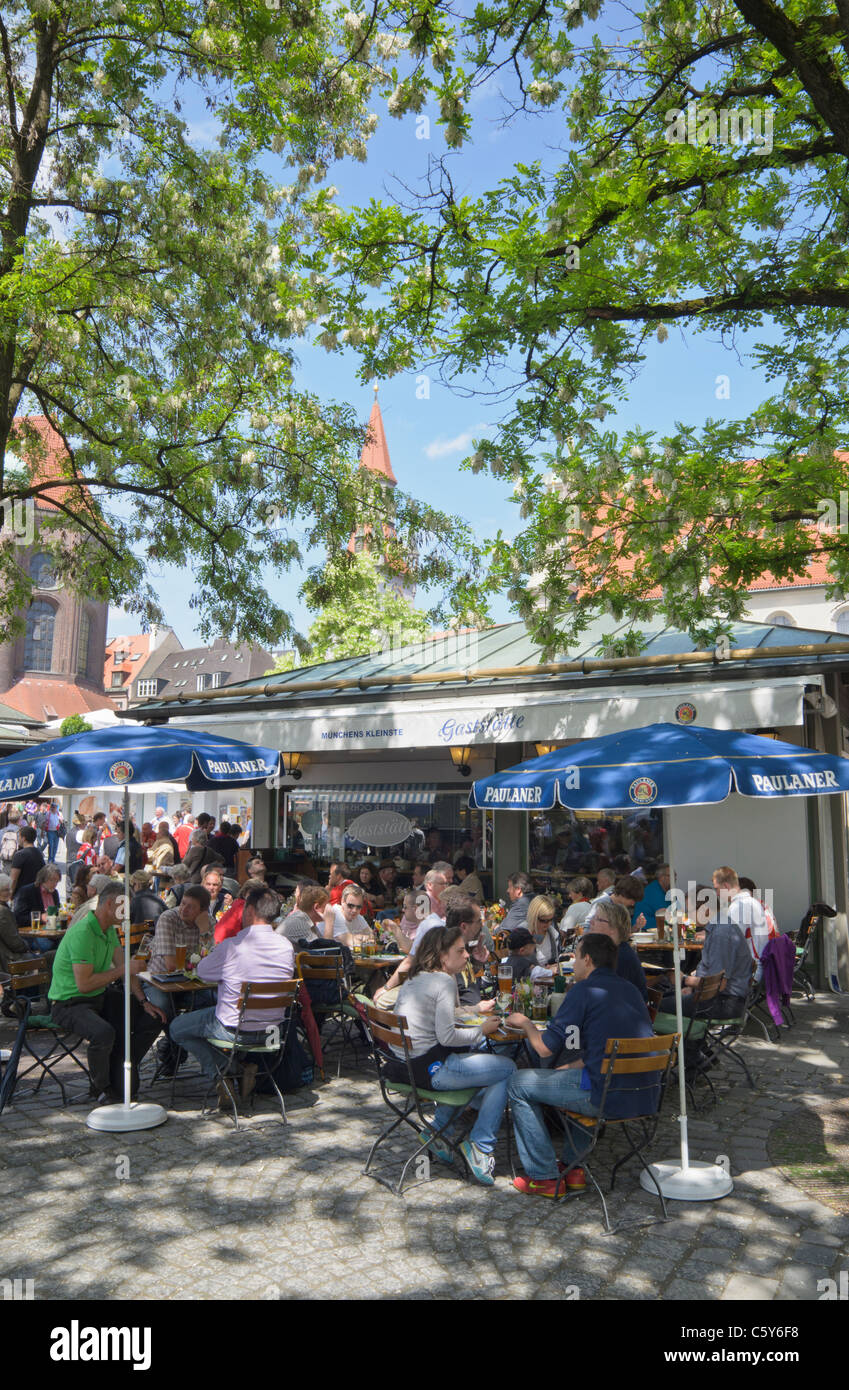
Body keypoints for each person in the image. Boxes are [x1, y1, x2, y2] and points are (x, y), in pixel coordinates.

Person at [506, 933, 659, 1198]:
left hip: (606, 1096)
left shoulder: (583, 990)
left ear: (587, 960)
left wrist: (526, 1024)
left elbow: (543, 1048)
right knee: (578, 1073)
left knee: (518, 1083)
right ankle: (572, 1169)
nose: (573, 963)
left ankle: (543, 1177)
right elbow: (608, 1047)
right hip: (645, 1093)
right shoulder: (630, 989)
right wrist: (574, 1065)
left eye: (575, 957)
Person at [390, 923, 515, 1185]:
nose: (467, 955)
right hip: (430, 1069)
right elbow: (447, 1036)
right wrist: (482, 1029)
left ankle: (437, 1131)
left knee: (484, 1066)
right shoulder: (444, 982)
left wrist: (474, 1010)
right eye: (460, 951)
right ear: (442, 955)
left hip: (404, 1066)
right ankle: (480, 1146)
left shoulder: (418, 977)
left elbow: (441, 1017)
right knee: (506, 1069)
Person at [170, 887, 295, 1107]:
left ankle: (225, 1075)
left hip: (235, 1030)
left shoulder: (233, 947)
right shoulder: (286, 947)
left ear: (249, 911)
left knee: (177, 1028)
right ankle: (241, 1068)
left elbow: (202, 971)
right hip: (273, 1032)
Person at [48, 880, 167, 1102]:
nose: (129, 913)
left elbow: (124, 970)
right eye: (126, 907)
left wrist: (143, 1001)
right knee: (104, 1033)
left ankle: (122, 1061)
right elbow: (85, 985)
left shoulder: (108, 930)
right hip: (69, 1003)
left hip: (97, 997)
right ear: (111, 904)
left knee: (153, 1017)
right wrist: (125, 968)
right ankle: (101, 1087)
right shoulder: (84, 932)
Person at [659, 897, 753, 1020]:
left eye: (690, 910)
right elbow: (710, 972)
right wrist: (691, 987)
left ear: (706, 910)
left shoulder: (721, 933)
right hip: (717, 997)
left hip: (724, 1003)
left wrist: (684, 980)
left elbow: (718, 985)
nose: (687, 915)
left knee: (658, 1004)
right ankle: (692, 1039)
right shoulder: (718, 927)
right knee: (663, 996)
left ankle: (685, 1038)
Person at [585, 897, 648, 1001]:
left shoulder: (620, 956)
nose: (591, 922)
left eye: (598, 919)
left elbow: (607, 997)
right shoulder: (611, 951)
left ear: (613, 928)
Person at [713, 866, 771, 971]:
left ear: (726, 886)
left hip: (749, 970)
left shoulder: (738, 906)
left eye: (717, 889)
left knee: (698, 976)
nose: (716, 893)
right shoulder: (751, 901)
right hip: (758, 963)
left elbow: (730, 944)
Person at [0, 872, 42, 974]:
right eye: (5, 890)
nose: (9, 892)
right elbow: (15, 943)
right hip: (7, 960)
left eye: (9, 889)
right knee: (45, 960)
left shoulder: (4, 908)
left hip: (6, 957)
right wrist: (26, 946)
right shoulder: (3, 911)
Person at [214, 877, 267, 944]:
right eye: (252, 894)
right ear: (244, 893)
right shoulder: (244, 908)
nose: (255, 898)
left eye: (258, 895)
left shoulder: (238, 903)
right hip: (224, 946)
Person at [322, 883, 373, 949]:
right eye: (351, 906)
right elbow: (352, 942)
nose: (354, 910)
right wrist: (362, 937)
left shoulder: (357, 916)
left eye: (359, 907)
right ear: (342, 901)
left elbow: (372, 937)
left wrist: (357, 937)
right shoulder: (335, 914)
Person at [14, 863, 61, 927]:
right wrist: (40, 918)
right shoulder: (27, 892)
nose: (55, 884)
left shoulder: (54, 893)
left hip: (52, 930)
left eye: (57, 881)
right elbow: (19, 918)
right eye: (51, 880)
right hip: (33, 931)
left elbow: (57, 913)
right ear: (43, 879)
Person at [8, 826, 45, 898]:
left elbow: (14, 878)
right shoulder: (39, 854)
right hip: (36, 893)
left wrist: (10, 895)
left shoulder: (20, 855)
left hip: (21, 894)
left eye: (19, 836)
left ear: (23, 838)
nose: (18, 839)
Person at [526, 895, 560, 970]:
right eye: (543, 920)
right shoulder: (523, 934)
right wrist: (546, 970)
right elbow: (521, 967)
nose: (548, 924)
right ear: (533, 917)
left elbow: (555, 961)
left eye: (550, 920)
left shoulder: (553, 934)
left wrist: (562, 957)